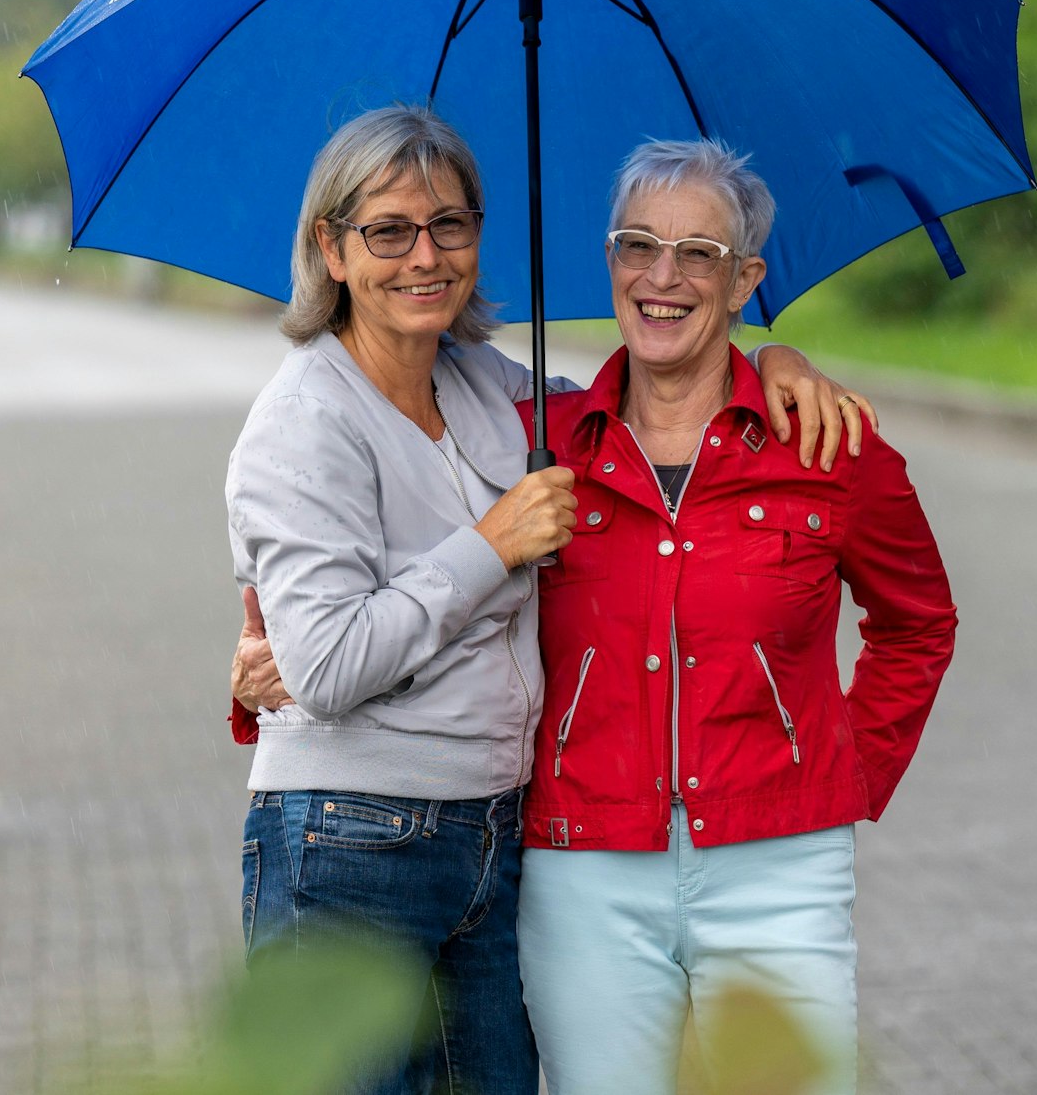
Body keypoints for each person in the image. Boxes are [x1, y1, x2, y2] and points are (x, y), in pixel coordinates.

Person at [224, 105, 869, 1095]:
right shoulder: (303, 419)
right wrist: (490, 545)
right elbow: (329, 666)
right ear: (332, 249)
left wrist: (773, 365)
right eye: (388, 231)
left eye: (450, 224)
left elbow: (650, 400)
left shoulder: (487, 388)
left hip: (488, 840)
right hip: (350, 842)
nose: (425, 256)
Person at [510, 139, 958, 1095]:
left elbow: (918, 620)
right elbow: (400, 494)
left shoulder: (828, 445)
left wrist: (848, 766)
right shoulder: (535, 446)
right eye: (638, 245)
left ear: (747, 279)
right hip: (584, 867)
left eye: (699, 254)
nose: (662, 277)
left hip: (780, 869)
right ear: (609, 260)